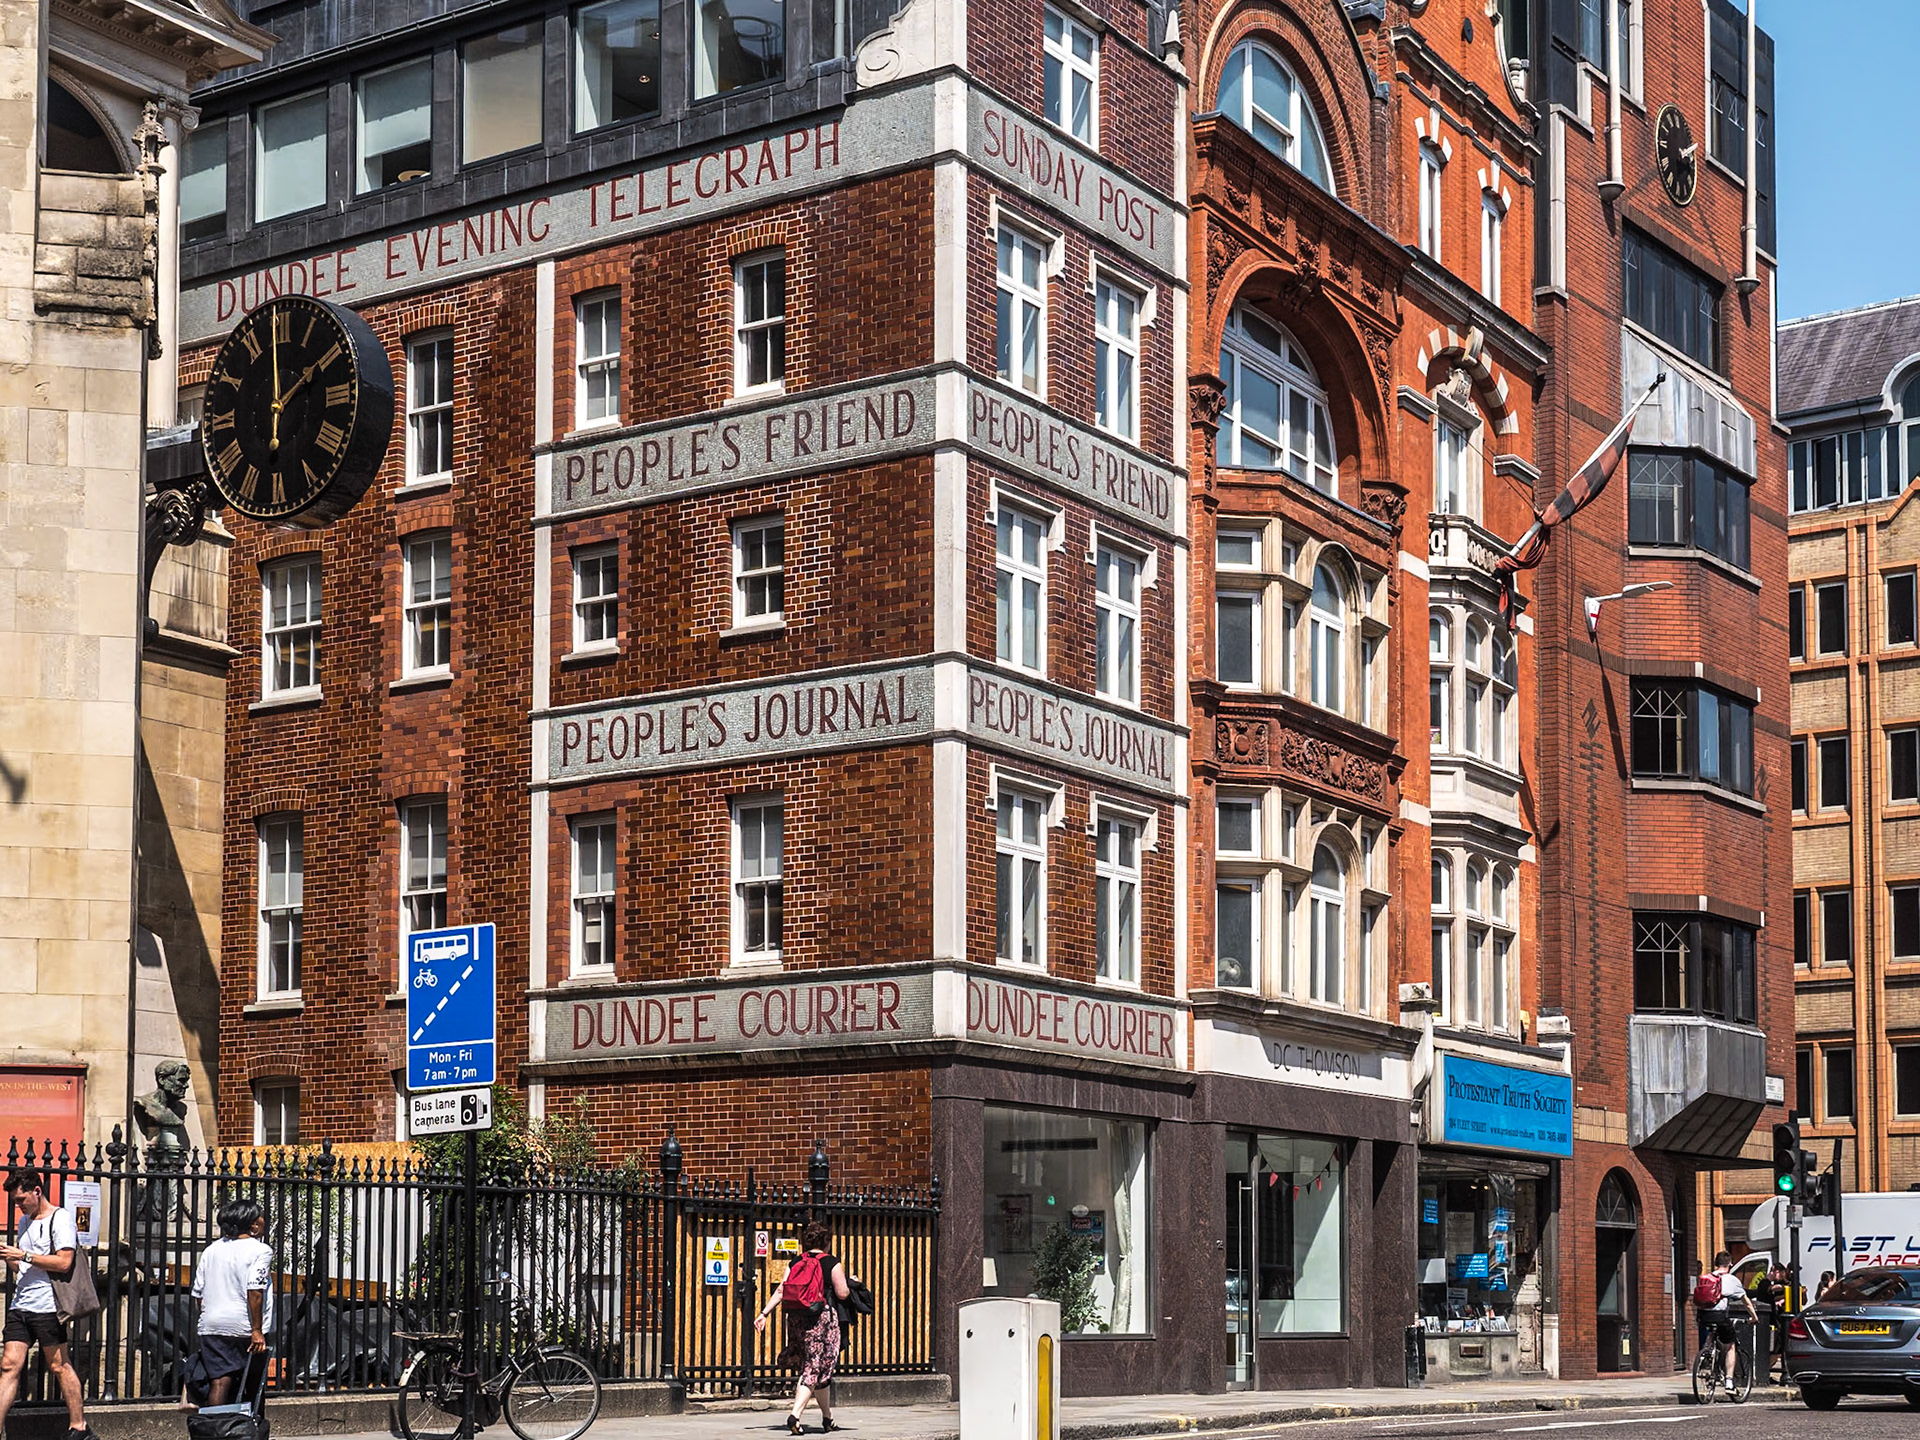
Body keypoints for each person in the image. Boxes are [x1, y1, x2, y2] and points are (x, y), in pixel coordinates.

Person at [0, 1169, 95, 1440]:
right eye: (15, 1201)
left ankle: (79, 1426)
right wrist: (9, 1257)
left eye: (21, 1199)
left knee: (58, 1365)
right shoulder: (24, 1222)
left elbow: (64, 1262)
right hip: (21, 1303)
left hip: (47, 1305)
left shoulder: (60, 1218)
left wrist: (24, 1255)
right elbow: (23, 1267)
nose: (19, 1205)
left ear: (37, 1191)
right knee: (9, 1365)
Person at [754, 1221, 854, 1436]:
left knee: (820, 1370)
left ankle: (827, 1418)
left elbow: (782, 1290)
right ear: (826, 1242)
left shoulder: (796, 1261)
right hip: (821, 1319)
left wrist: (764, 1313)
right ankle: (795, 1415)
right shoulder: (831, 1262)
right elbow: (843, 1293)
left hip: (797, 1319)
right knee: (814, 1367)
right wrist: (852, 1282)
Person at [182, 1198, 274, 1411]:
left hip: (211, 1325)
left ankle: (215, 1425)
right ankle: (250, 1424)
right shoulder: (260, 1250)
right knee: (253, 1383)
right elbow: (255, 1290)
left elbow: (199, 1292)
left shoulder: (211, 1250)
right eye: (260, 1216)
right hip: (243, 1326)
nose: (263, 1220)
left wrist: (207, 1315)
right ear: (253, 1224)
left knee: (220, 1381)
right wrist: (257, 1330)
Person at [1699, 1250, 1757, 1387]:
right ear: (1730, 1264)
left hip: (1703, 1315)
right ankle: (1729, 1382)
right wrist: (1754, 1317)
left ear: (1715, 1263)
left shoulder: (1706, 1277)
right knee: (1730, 1346)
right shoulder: (1732, 1280)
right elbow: (1747, 1302)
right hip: (1720, 1316)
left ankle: (1705, 1353)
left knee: (1712, 1331)